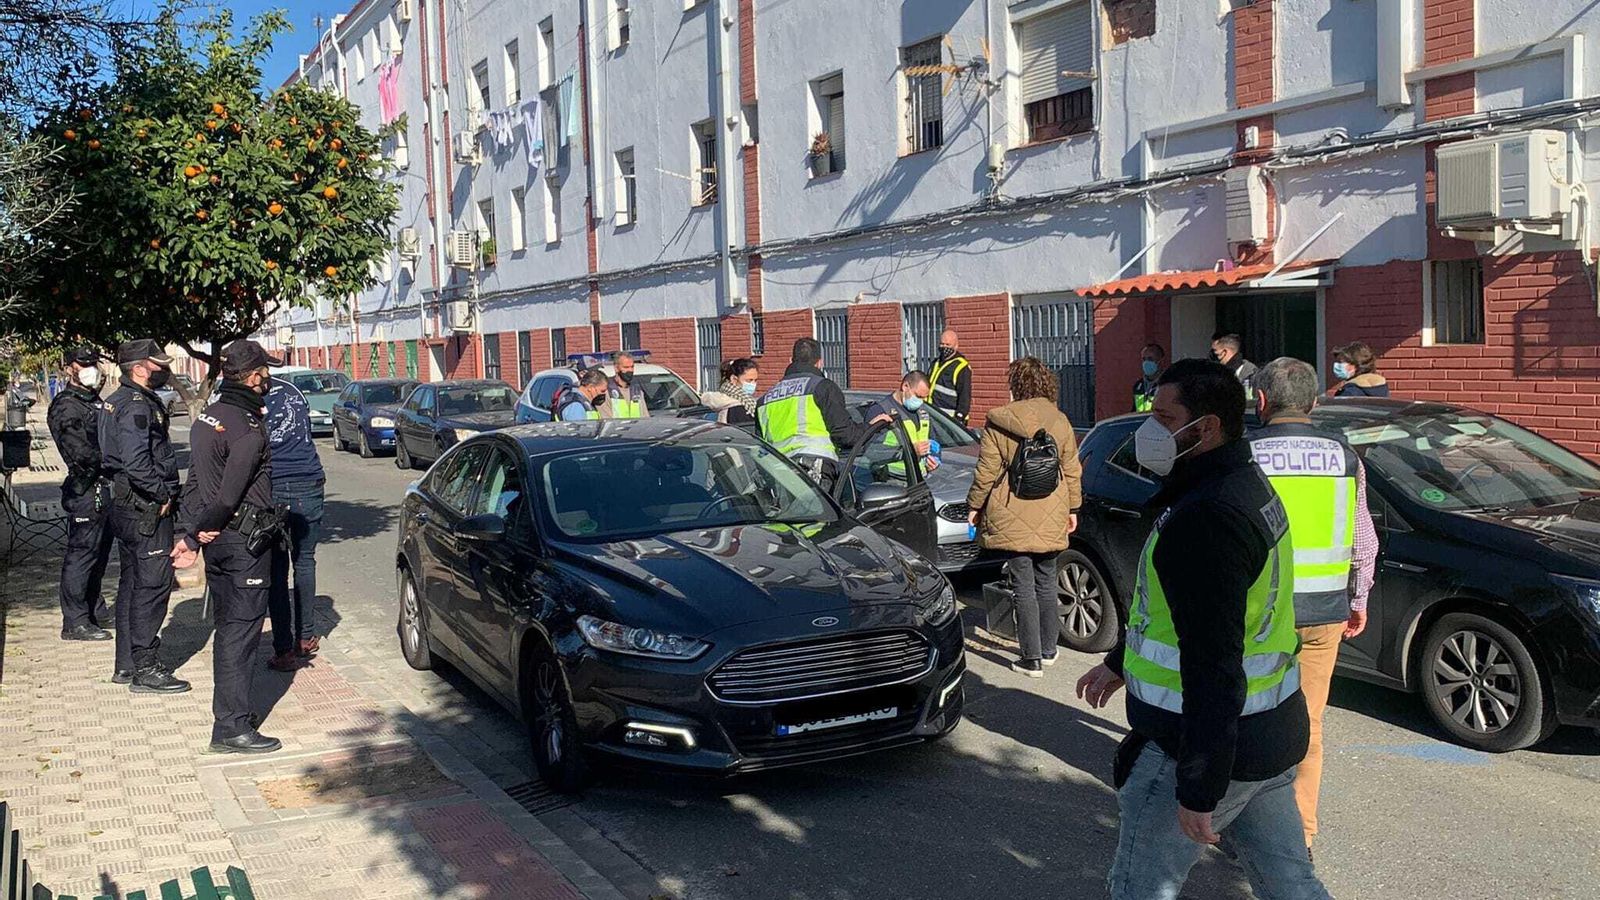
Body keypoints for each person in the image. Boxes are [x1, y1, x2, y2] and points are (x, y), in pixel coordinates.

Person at [1075, 358, 1327, 900]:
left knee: (1140, 889)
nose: (1150, 428)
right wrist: (1122, 661)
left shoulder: (1207, 516)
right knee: (1291, 884)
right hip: (1268, 733)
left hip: (1206, 747)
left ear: (1206, 427)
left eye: (1165, 418)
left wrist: (1199, 786)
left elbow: (1214, 664)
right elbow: (1195, 614)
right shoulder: (1239, 482)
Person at [1250, 357, 1377, 855]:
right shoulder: (1345, 457)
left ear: (1260, 400)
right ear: (1315, 402)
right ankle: (1299, 832)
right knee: (1309, 723)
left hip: (1256, 614)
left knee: (1249, 715)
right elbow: (1363, 538)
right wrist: (1358, 597)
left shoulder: (1245, 455)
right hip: (1324, 611)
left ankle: (1243, 822)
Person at [172, 340, 283, 754]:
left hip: (220, 540)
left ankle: (232, 716)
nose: (269, 379)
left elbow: (196, 484)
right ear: (253, 376)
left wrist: (191, 534)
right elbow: (228, 493)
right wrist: (205, 529)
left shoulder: (209, 417)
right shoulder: (245, 427)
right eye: (265, 372)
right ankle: (232, 727)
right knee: (240, 634)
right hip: (241, 543)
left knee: (228, 630)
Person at [965, 357, 1082, 676]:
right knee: (1047, 580)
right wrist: (1073, 508)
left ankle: (1030, 659)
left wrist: (974, 505)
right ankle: (1049, 649)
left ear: (1015, 385)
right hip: (1052, 508)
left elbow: (987, 470)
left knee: (1023, 585)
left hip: (1012, 510)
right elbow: (1072, 469)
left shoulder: (999, 421)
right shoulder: (1060, 420)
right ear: (1047, 384)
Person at [100, 339, 188, 692]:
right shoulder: (136, 405)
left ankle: (126, 664)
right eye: (156, 365)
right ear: (139, 368)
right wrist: (162, 493)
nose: (163, 370)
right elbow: (137, 460)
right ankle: (146, 668)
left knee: (132, 585)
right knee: (151, 587)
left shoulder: (116, 401)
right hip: (144, 508)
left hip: (126, 505)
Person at [757, 338, 887, 491]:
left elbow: (759, 446)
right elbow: (846, 436)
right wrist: (872, 426)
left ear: (790, 360)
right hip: (813, 469)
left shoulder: (764, 399)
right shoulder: (823, 387)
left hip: (776, 474)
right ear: (820, 363)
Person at [47, 346, 113, 641]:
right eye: (82, 363)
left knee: (99, 555)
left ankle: (93, 609)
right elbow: (82, 453)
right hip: (87, 488)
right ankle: (74, 621)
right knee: (82, 554)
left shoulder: (93, 401)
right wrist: (115, 459)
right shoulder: (66, 406)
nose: (89, 368)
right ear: (68, 367)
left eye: (92, 363)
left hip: (104, 487)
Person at [264, 371, 327, 672]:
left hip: (273, 484)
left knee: (276, 571)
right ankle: (306, 636)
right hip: (308, 479)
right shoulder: (292, 391)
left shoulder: (245, 397)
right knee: (305, 562)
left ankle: (284, 648)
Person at [865, 370, 940, 475]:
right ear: (905, 386)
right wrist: (909, 451)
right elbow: (871, 451)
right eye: (918, 396)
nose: (921, 401)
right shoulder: (881, 411)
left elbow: (933, 441)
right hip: (890, 481)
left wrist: (934, 459)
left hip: (920, 480)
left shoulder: (922, 412)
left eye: (924, 398)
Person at [929, 329, 973, 426]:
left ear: (956, 346)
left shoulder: (962, 367)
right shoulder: (935, 363)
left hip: (950, 420)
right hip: (932, 415)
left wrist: (959, 418)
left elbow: (964, 396)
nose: (944, 347)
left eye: (948, 345)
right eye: (942, 344)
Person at [702, 358, 759, 425]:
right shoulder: (738, 406)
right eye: (749, 380)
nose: (753, 384)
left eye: (755, 380)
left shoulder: (746, 400)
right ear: (734, 379)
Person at [604, 351, 650, 419]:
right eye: (626, 367)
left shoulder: (637, 391)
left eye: (632, 367)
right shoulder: (607, 390)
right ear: (616, 368)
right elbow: (606, 419)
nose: (630, 370)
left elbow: (645, 417)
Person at [1133, 343, 1166, 413]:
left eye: (1150, 359)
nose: (1146, 362)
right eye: (1144, 359)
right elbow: (1136, 411)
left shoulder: (1167, 384)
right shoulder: (1139, 386)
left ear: (1161, 361)